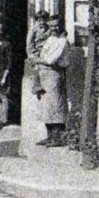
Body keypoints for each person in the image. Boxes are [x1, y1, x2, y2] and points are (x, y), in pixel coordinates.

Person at [34, 16, 70, 147]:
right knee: (46, 106)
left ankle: (58, 137)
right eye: (52, 26)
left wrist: (38, 60)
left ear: (62, 25)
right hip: (44, 75)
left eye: (56, 25)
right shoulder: (50, 39)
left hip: (55, 74)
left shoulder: (62, 41)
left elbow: (51, 60)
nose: (54, 28)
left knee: (56, 105)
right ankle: (49, 136)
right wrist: (40, 59)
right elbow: (43, 55)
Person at [26, 10, 50, 98]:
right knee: (36, 67)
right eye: (39, 20)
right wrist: (32, 54)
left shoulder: (50, 29)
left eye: (44, 20)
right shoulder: (33, 29)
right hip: (36, 51)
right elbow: (29, 43)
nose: (42, 23)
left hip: (47, 51)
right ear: (37, 21)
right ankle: (36, 86)